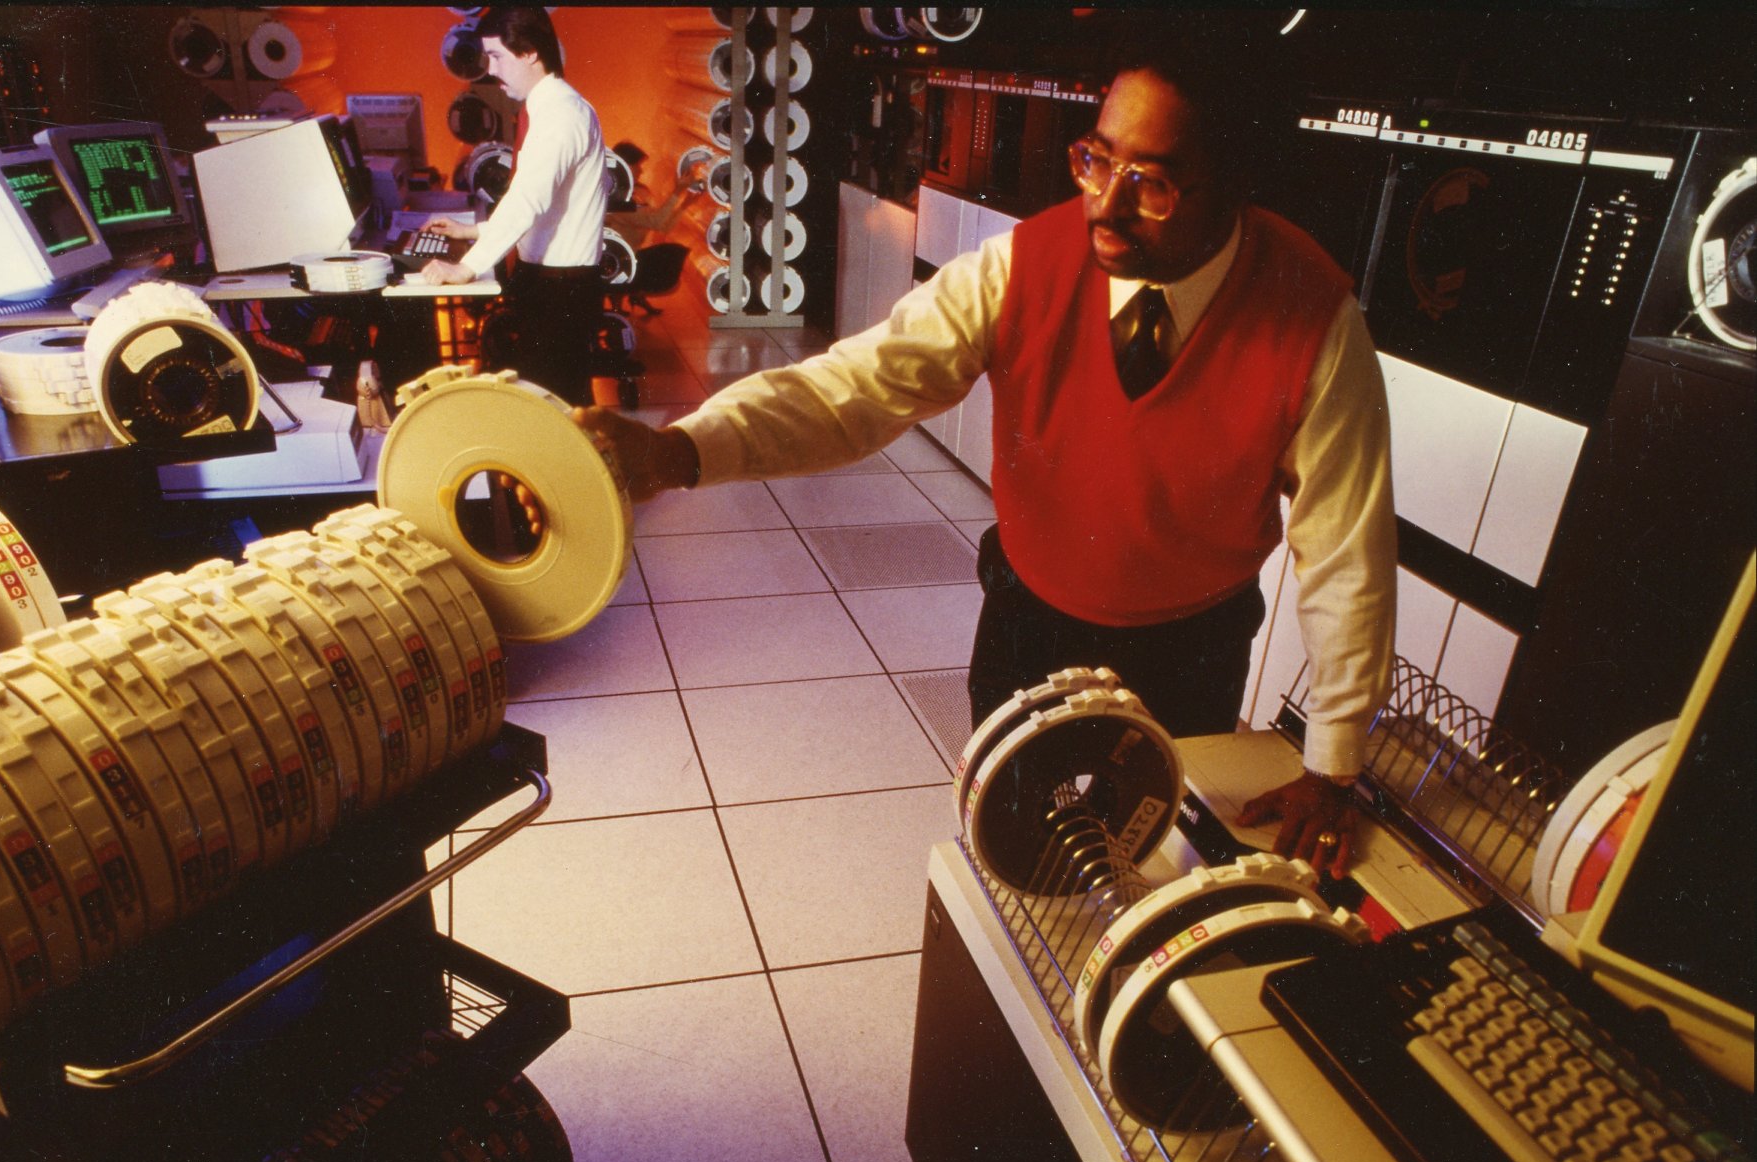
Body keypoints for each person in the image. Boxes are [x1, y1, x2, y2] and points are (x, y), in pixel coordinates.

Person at [578, 28, 1397, 879]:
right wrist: (679, 450)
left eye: (1149, 183)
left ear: (1234, 186)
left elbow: (1346, 551)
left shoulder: (1314, 323)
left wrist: (1332, 763)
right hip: (1030, 616)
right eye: (1095, 160)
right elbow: (855, 388)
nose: (1104, 205)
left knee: (1153, 856)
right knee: (1010, 848)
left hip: (1192, 649)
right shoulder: (1024, 266)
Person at [421, 7, 606, 406]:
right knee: (557, 409)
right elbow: (547, 208)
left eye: (498, 56)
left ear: (530, 53)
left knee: (555, 412)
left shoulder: (561, 115)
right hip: (552, 282)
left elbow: (528, 200)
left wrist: (465, 266)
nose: (490, 69)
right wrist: (475, 232)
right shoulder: (548, 108)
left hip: (562, 289)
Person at [604, 141, 703, 250]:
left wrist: (684, 205)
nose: (640, 170)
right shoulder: (616, 198)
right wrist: (677, 191)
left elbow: (663, 226)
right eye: (636, 165)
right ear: (623, 166)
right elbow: (655, 222)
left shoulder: (638, 192)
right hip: (622, 257)